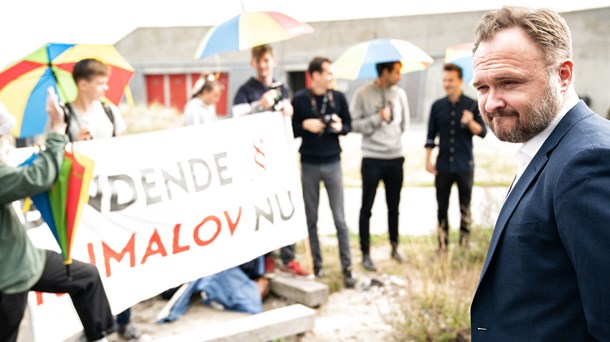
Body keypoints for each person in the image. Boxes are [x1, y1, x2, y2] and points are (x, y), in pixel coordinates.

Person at [470, 7, 610, 340]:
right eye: (482, 87)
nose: (491, 103)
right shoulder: (548, 145)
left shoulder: (588, 162)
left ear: (563, 75)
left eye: (508, 82)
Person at [47, 58, 149, 341]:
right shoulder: (64, 115)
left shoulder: (110, 111)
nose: (106, 87)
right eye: (101, 82)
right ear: (83, 84)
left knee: (123, 256)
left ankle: (125, 321)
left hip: (114, 198)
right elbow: (51, 157)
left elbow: (125, 148)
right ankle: (93, 323)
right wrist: (72, 142)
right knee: (90, 262)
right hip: (82, 202)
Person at [0, 97, 115, 342]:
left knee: (87, 277)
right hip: (9, 281)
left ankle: (99, 335)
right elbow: (37, 178)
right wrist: (56, 130)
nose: (7, 146)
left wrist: (66, 143)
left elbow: (28, 173)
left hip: (26, 260)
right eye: (2, 141)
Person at [231, 44, 308, 277]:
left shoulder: (282, 88)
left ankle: (288, 257)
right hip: (255, 161)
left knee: (286, 204)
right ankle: (265, 261)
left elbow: (287, 123)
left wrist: (288, 111)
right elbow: (235, 123)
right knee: (262, 211)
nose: (264, 65)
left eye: (267, 60)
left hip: (279, 156)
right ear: (253, 63)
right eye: (259, 61)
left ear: (273, 61)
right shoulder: (244, 91)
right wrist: (259, 106)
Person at [292, 56, 356, 288]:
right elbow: (289, 130)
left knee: (339, 218)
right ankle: (316, 264)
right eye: (328, 72)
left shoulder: (338, 98)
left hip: (332, 163)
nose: (332, 77)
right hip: (308, 163)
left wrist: (340, 127)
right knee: (311, 219)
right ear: (315, 75)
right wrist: (304, 126)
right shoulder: (299, 100)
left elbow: (349, 126)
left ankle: (347, 268)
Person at [350, 61, 409, 272]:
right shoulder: (362, 94)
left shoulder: (400, 94)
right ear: (384, 72)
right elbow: (353, 124)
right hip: (372, 159)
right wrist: (377, 118)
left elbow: (404, 125)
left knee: (394, 207)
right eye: (396, 72)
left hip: (395, 157)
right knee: (367, 208)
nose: (399, 77)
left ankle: (395, 246)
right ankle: (365, 253)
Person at [425, 63, 486, 251]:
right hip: (442, 166)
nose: (447, 83)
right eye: (444, 80)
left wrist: (470, 123)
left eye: (450, 80)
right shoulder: (437, 106)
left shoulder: (472, 105)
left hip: (464, 166)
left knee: (464, 207)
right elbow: (430, 136)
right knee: (441, 207)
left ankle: (464, 245)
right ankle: (442, 245)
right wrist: (427, 160)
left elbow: (483, 132)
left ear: (460, 81)